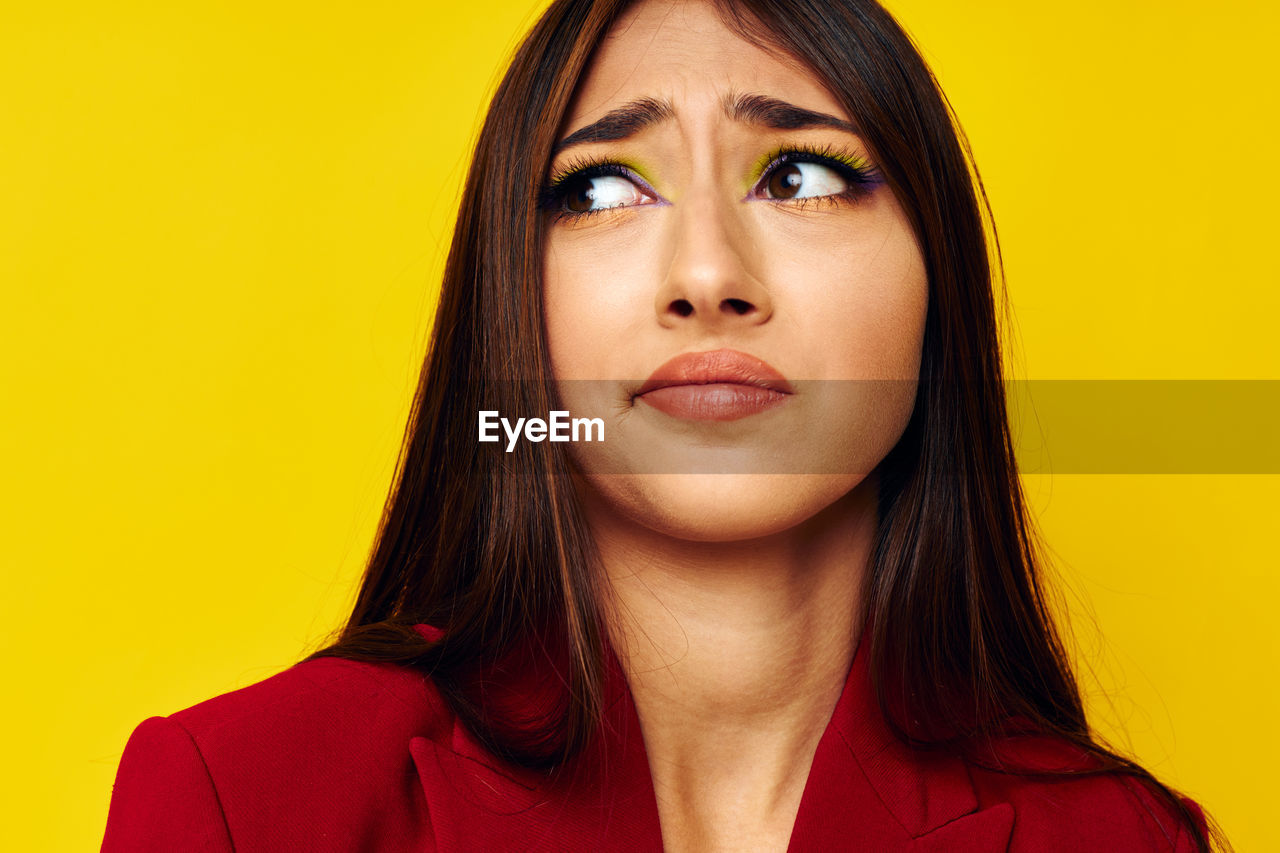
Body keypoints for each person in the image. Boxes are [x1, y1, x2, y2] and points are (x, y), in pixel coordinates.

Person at [102, 0, 1227, 850]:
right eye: (598, 189)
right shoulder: (239, 795)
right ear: (511, 300)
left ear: (937, 282)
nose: (704, 277)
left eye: (798, 175)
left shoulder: (1124, 834)